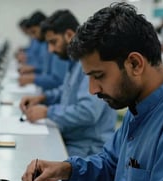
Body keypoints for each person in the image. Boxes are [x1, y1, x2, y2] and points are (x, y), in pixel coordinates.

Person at [22, 3, 163, 181]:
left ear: (135, 64)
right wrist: (66, 169)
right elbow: (111, 166)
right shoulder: (140, 103)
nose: (92, 90)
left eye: (99, 75)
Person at [20, 10, 116, 159]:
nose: (50, 50)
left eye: (53, 42)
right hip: (73, 139)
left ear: (69, 35)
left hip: (87, 150)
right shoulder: (74, 63)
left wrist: (48, 112)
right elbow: (66, 90)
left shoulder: (88, 65)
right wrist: (43, 98)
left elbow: (88, 112)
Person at [18, 11, 68, 91]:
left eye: (34, 32)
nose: (33, 37)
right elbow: (45, 68)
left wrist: (34, 78)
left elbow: (58, 80)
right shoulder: (46, 44)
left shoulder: (59, 49)